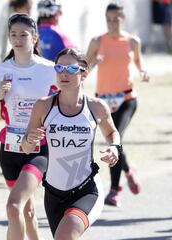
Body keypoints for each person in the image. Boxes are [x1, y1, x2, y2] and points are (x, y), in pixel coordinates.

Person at [22, 48, 121, 239]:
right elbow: (26, 148)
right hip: (53, 192)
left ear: (83, 73)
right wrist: (30, 139)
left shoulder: (96, 107)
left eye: (70, 69)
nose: (63, 73)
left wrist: (115, 148)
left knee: (66, 234)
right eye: (59, 68)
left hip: (86, 189)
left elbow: (111, 132)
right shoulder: (43, 106)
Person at [0, 14, 57, 240]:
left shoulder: (50, 69)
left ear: (34, 38)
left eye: (23, 34)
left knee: (13, 206)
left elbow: (66, 105)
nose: (17, 39)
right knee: (27, 210)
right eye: (13, 34)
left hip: (39, 149)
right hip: (10, 149)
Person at [86, 3, 150, 207]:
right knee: (115, 140)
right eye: (109, 19)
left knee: (115, 139)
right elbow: (83, 69)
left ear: (123, 18)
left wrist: (143, 72)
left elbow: (139, 62)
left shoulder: (133, 41)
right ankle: (129, 170)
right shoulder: (97, 41)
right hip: (103, 101)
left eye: (117, 19)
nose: (113, 23)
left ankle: (114, 190)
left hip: (127, 99)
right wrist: (94, 62)